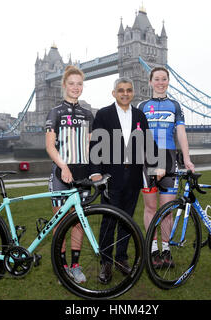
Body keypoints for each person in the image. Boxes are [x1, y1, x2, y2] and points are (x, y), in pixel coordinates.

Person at [89, 77, 164, 284]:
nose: (125, 93)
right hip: (110, 176)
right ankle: (105, 262)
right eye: (120, 90)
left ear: (133, 93)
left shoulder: (139, 115)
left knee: (126, 220)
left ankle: (121, 259)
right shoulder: (103, 114)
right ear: (114, 93)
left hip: (133, 176)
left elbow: (148, 142)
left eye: (129, 90)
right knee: (109, 221)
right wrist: (95, 172)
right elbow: (96, 143)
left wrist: (157, 164)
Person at [137, 66, 195, 269]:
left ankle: (167, 249)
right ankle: (153, 250)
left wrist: (187, 159)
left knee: (167, 210)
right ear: (150, 82)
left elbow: (181, 133)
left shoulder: (175, 105)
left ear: (167, 82)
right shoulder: (142, 105)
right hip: (148, 160)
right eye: (157, 79)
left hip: (170, 160)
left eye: (164, 79)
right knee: (151, 208)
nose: (160, 82)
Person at [45, 65, 94, 283]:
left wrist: (95, 171)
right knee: (60, 222)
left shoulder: (88, 114)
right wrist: (64, 167)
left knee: (79, 222)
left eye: (79, 84)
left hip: (83, 176)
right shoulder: (54, 112)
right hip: (61, 174)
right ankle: (61, 266)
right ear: (64, 85)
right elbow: (50, 146)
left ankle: (75, 266)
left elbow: (93, 147)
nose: (76, 88)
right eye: (72, 83)